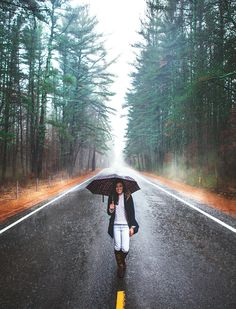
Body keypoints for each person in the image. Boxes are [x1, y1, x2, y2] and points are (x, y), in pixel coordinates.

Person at [107, 179, 139, 278]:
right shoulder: (112, 196)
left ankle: (122, 260)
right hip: (116, 225)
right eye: (117, 186)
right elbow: (109, 213)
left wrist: (132, 227)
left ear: (123, 186)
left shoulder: (128, 196)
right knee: (117, 247)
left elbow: (132, 213)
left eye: (120, 186)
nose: (118, 188)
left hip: (125, 225)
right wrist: (111, 208)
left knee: (125, 248)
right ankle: (120, 266)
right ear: (114, 188)